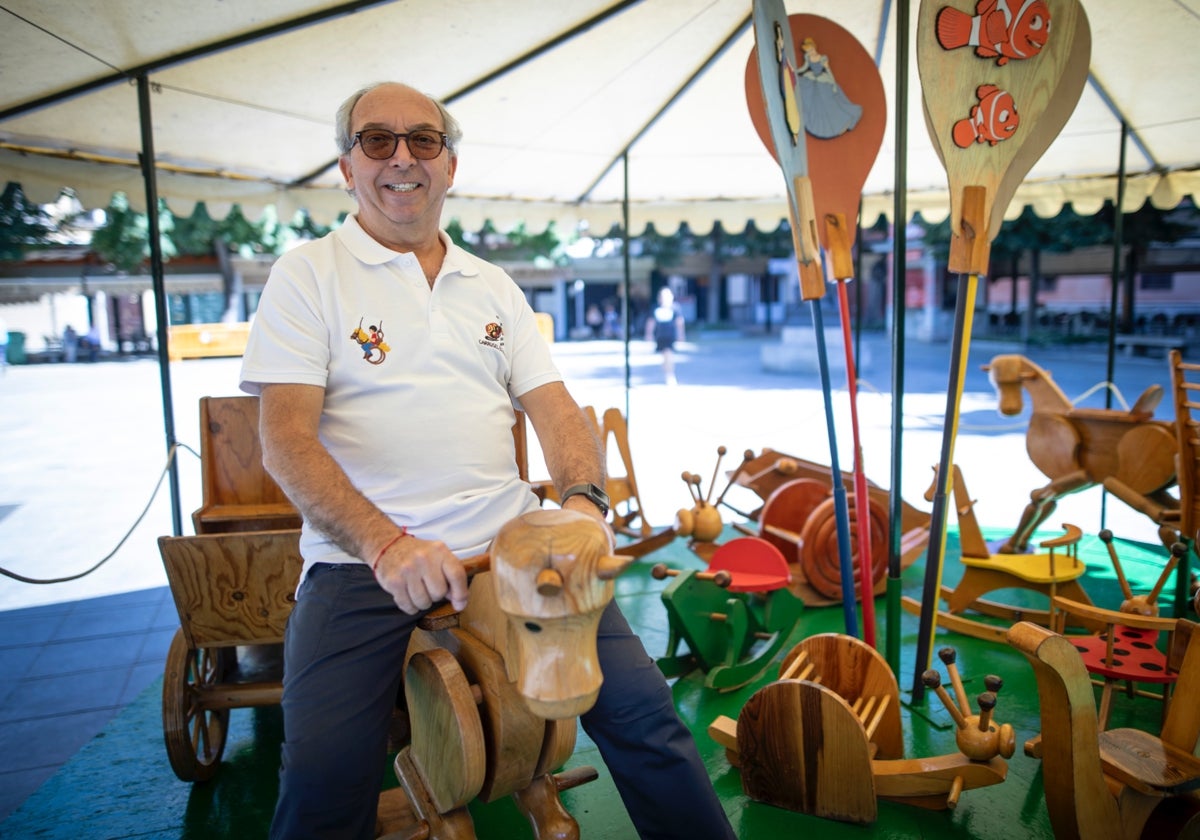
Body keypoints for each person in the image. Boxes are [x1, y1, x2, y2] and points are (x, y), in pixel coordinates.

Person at [238, 82, 735, 840]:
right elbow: (286, 441)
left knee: (649, 721)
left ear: (450, 164)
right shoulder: (307, 274)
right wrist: (386, 545)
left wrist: (582, 507)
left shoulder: (491, 284)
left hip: (514, 546)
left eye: (423, 141)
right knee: (321, 780)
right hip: (363, 564)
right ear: (346, 166)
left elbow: (560, 413)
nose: (402, 157)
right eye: (377, 141)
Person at [645, 286, 685, 386]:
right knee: (664, 355)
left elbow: (679, 322)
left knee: (668, 354)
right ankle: (667, 372)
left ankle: (670, 375)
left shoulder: (675, 308)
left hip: (670, 336)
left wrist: (681, 335)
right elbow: (651, 322)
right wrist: (649, 334)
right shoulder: (655, 308)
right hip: (660, 336)